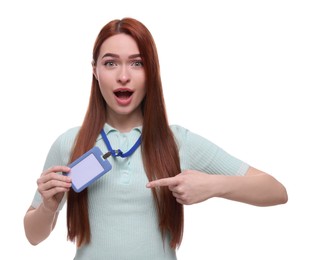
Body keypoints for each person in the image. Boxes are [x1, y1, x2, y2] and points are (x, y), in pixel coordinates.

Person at [23, 17, 288, 260]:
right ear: (95, 71)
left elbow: (276, 191)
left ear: (152, 71)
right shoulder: (69, 143)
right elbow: (33, 236)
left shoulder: (177, 141)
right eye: (110, 63)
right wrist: (48, 207)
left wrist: (213, 186)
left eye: (137, 63)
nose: (123, 75)